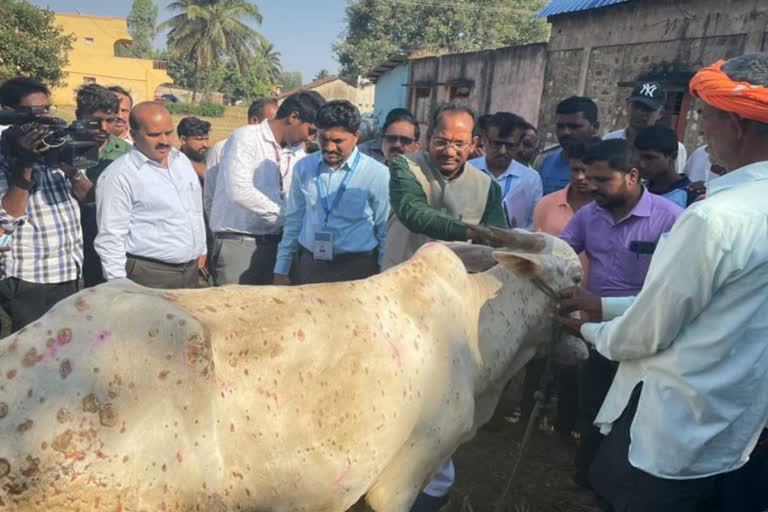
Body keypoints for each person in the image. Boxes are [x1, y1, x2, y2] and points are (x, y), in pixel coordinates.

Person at [554, 53, 768, 512]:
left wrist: (588, 329)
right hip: (736, 427)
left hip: (670, 430)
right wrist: (603, 307)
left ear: (736, 123)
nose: (702, 132)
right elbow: (704, 306)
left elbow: (651, 331)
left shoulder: (714, 219)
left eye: (707, 116)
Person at [384, 101, 506, 511]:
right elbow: (413, 213)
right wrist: (472, 230)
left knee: (441, 395)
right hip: (396, 303)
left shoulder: (488, 187)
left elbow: (498, 241)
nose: (448, 150)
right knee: (391, 387)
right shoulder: (406, 168)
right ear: (428, 137)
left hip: (453, 312)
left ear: (474, 144)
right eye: (441, 140)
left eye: (458, 142)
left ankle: (431, 486)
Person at [558, 138, 683, 488]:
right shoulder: (588, 216)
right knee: (594, 411)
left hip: (649, 341)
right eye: (588, 177)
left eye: (602, 179)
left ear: (631, 175)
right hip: (597, 337)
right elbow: (562, 253)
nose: (591, 186)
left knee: (636, 419)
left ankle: (623, 489)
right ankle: (586, 483)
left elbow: (675, 290)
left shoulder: (671, 218)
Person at [0, 77, 92, 331]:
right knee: (28, 360)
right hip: (29, 279)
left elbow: (88, 196)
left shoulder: (55, 144)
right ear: (11, 116)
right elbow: (5, 218)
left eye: (47, 109)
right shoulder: (4, 154)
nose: (45, 119)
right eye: (36, 114)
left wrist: (70, 167)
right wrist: (25, 163)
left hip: (71, 272)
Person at [208, 91, 325, 285]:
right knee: (237, 312)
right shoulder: (246, 137)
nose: (311, 138)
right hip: (240, 244)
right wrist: (286, 216)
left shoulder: (296, 152)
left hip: (277, 245)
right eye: (311, 130)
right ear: (293, 118)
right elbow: (239, 190)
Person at [273, 100, 389, 285]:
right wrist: (281, 268)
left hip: (357, 270)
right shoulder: (304, 168)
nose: (329, 147)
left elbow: (384, 230)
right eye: (323, 139)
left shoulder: (377, 174)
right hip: (311, 267)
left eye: (337, 141)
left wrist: (384, 275)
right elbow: (294, 220)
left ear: (356, 136)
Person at [95, 102, 206, 289]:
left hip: (191, 269)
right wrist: (119, 286)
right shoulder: (119, 175)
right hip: (148, 275)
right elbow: (110, 237)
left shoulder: (181, 161)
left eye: (168, 133)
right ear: (134, 135)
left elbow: (193, 209)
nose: (165, 141)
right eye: (154, 135)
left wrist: (201, 249)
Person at [75, 84, 132, 288]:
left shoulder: (127, 154)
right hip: (68, 249)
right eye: (95, 121)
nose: (104, 128)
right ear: (78, 116)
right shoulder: (58, 148)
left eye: (110, 120)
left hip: (109, 248)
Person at [203, 97, 278, 218]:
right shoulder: (221, 149)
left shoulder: (275, 153)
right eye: (271, 123)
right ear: (254, 120)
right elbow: (210, 196)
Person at [468, 112, 543, 229]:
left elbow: (534, 222)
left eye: (510, 146)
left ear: (519, 145)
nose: (503, 151)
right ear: (485, 141)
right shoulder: (467, 170)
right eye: (497, 144)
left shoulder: (531, 179)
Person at [603, 81, 687, 173]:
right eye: (636, 106)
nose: (640, 113)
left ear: (660, 113)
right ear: (627, 106)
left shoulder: (674, 148)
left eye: (648, 109)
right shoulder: (609, 140)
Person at [535, 96, 600, 195]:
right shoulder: (543, 161)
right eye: (560, 126)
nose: (566, 132)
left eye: (574, 126)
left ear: (595, 127)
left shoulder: (609, 163)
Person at [634, 125, 698, 208]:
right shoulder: (637, 190)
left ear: (673, 156)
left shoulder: (691, 196)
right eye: (637, 157)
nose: (642, 164)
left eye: (649, 158)